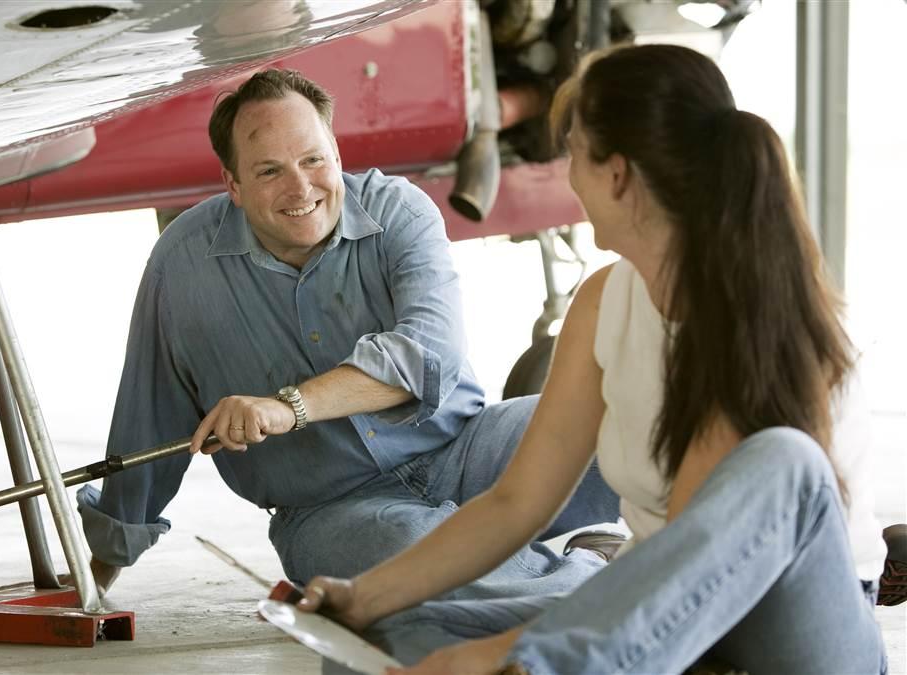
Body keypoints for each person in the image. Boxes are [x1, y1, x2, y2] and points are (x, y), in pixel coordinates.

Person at [298, 44, 890, 674]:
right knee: (383, 640)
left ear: (618, 174)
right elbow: (515, 503)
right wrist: (362, 600)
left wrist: (498, 656)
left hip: (786, 633)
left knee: (785, 459)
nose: (568, 174)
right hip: (642, 629)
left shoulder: (766, 311)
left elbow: (689, 573)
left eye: (575, 152)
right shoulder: (605, 301)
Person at [74, 68, 620, 601]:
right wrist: (100, 571)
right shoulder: (183, 265)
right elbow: (149, 414)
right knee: (411, 551)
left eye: (314, 159)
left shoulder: (399, 210)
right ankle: (596, 577)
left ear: (337, 154)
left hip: (465, 450)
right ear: (233, 185)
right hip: (331, 510)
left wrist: (288, 407)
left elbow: (429, 355)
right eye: (269, 172)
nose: (300, 186)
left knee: (626, 423)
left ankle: (554, 587)